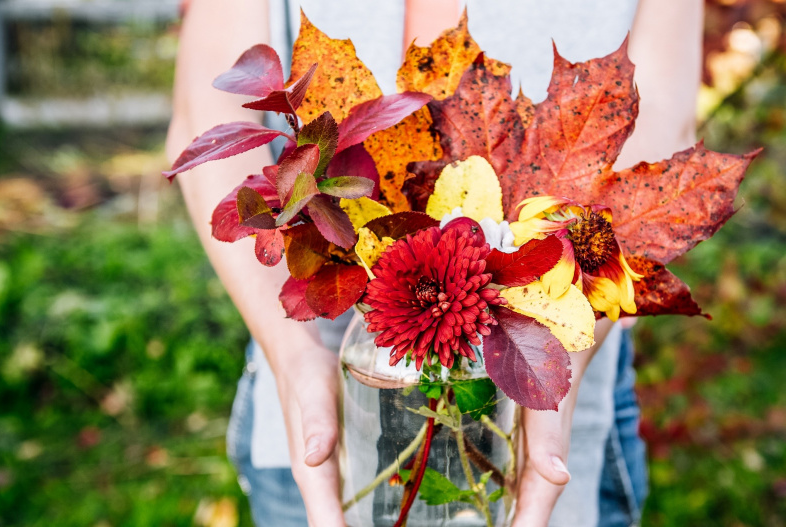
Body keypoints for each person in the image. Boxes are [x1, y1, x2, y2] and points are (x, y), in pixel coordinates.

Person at [166, 0, 702, 525]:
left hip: (555, 423)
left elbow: (659, 112)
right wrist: (291, 356)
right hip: (317, 405)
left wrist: (555, 361)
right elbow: (203, 106)